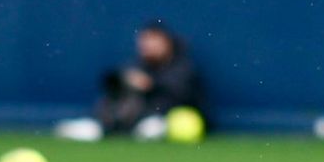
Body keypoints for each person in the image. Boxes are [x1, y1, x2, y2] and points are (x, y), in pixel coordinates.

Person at [54, 22, 208, 141]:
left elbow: (182, 93)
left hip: (169, 119)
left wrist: (151, 84)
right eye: (144, 40)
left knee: (152, 126)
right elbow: (110, 80)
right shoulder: (137, 64)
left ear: (166, 42)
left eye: (153, 40)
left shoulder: (182, 66)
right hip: (134, 119)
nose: (148, 45)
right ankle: (98, 127)